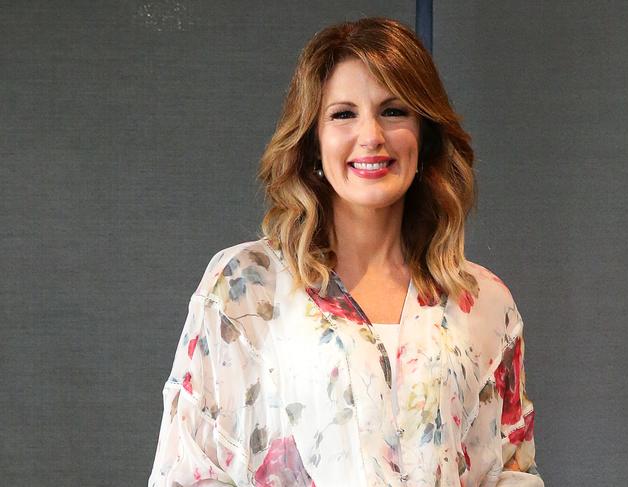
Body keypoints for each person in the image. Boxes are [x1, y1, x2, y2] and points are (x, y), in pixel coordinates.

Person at [148, 17, 544, 487]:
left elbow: (512, 473)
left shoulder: (484, 302)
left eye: (394, 111)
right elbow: (189, 471)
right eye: (343, 114)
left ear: (426, 134)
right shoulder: (245, 290)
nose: (371, 135)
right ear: (314, 140)